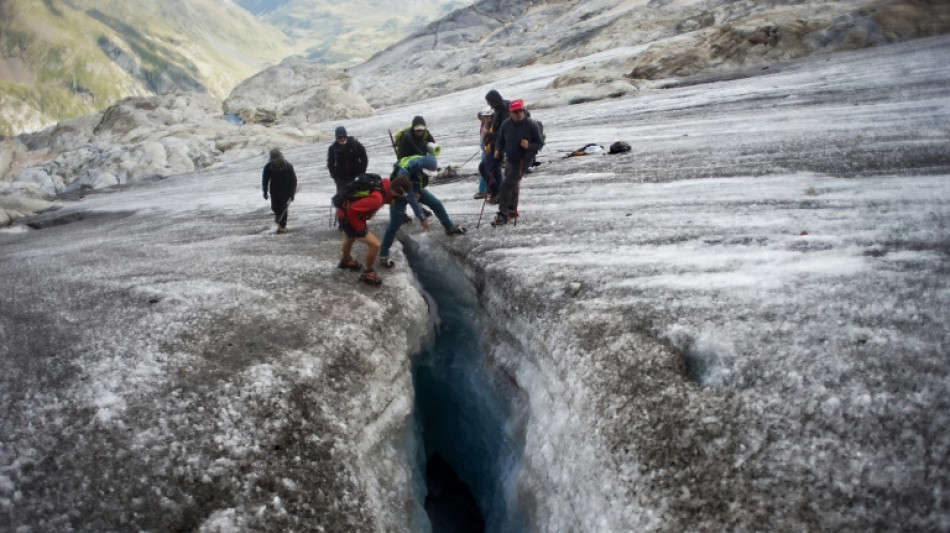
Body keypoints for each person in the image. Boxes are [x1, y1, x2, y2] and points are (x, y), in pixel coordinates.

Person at [379, 154, 466, 268]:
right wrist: (422, 218)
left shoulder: (424, 163)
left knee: (436, 203)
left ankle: (449, 227)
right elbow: (410, 198)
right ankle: (383, 254)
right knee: (394, 224)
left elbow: (417, 186)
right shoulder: (404, 172)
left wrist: (416, 191)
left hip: (414, 190)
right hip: (398, 195)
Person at [337, 175, 413, 286]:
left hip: (344, 213)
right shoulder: (377, 199)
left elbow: (384, 198)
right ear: (398, 190)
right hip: (349, 216)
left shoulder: (384, 185)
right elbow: (352, 210)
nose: (401, 197)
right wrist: (360, 229)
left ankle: (346, 261)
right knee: (375, 245)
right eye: (402, 194)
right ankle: (367, 273)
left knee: (350, 238)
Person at [491, 99, 544, 226]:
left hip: (523, 160)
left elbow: (540, 143)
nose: (519, 113)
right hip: (510, 159)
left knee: (506, 186)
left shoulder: (531, 124)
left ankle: (503, 214)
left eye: (521, 110)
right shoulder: (506, 124)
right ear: (510, 113)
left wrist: (528, 146)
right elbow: (500, 139)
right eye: (516, 111)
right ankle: (512, 210)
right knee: (513, 185)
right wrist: (498, 149)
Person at [262, 148, 297, 234]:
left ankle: (282, 226)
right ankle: (278, 216)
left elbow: (293, 180)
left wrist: (292, 194)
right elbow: (265, 180)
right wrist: (265, 191)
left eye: (275, 159)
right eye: (272, 160)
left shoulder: (288, 167)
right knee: (275, 207)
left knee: (283, 208)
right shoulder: (268, 167)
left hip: (286, 191)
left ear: (279, 158)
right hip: (274, 191)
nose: (273, 161)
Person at [483, 89, 510, 201]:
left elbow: (503, 133)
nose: (488, 104)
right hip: (496, 146)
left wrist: (488, 133)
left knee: (484, 167)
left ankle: (497, 190)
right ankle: (499, 193)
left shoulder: (503, 111)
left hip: (499, 147)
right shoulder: (499, 109)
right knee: (495, 168)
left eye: (488, 101)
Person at [327, 125, 368, 194]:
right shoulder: (332, 148)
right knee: (341, 201)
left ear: (346, 136)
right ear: (336, 138)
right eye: (340, 137)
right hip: (341, 180)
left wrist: (361, 172)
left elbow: (364, 159)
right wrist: (335, 177)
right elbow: (330, 164)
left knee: (357, 199)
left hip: (356, 177)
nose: (342, 139)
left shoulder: (356, 145)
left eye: (344, 136)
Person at [474, 108, 494, 200]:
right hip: (488, 150)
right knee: (487, 169)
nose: (484, 119)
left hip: (491, 150)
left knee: (485, 168)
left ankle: (484, 190)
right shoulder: (487, 124)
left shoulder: (489, 125)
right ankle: (487, 189)